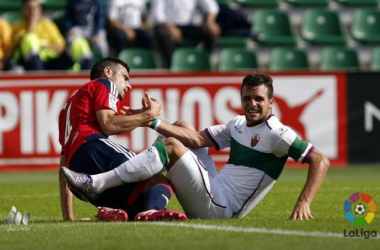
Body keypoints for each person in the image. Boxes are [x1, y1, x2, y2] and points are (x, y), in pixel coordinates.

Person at [62, 73, 330, 220]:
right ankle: (139, 208)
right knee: (184, 125)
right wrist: (151, 121)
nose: (253, 104)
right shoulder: (238, 123)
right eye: (247, 98)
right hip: (216, 188)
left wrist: (304, 202)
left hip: (220, 208)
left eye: (259, 99)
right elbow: (198, 140)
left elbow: (320, 160)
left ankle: (98, 183)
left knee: (172, 146)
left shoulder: (278, 133)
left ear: (271, 102)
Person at [59, 57, 187, 222]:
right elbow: (109, 124)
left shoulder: (66, 108)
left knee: (139, 202)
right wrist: (149, 115)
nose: (129, 85)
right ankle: (150, 212)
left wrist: (68, 217)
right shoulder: (104, 83)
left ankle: (114, 213)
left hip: (76, 169)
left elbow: (63, 167)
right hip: (94, 149)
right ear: (108, 72)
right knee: (159, 181)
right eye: (125, 77)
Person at [11, 0, 92, 71]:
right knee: (29, 38)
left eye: (35, 8)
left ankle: (88, 77)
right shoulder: (18, 25)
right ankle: (39, 78)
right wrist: (33, 22)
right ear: (23, 10)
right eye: (28, 8)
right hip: (30, 64)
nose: (32, 11)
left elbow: (61, 46)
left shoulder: (48, 24)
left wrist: (42, 46)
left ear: (40, 9)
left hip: (53, 62)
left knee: (79, 42)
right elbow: (20, 44)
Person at [151, 0, 221, 68]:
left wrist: (210, 22)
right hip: (168, 26)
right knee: (161, 34)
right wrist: (171, 28)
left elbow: (212, 6)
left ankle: (206, 62)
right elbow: (157, 14)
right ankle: (171, 65)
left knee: (210, 32)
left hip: (190, 27)